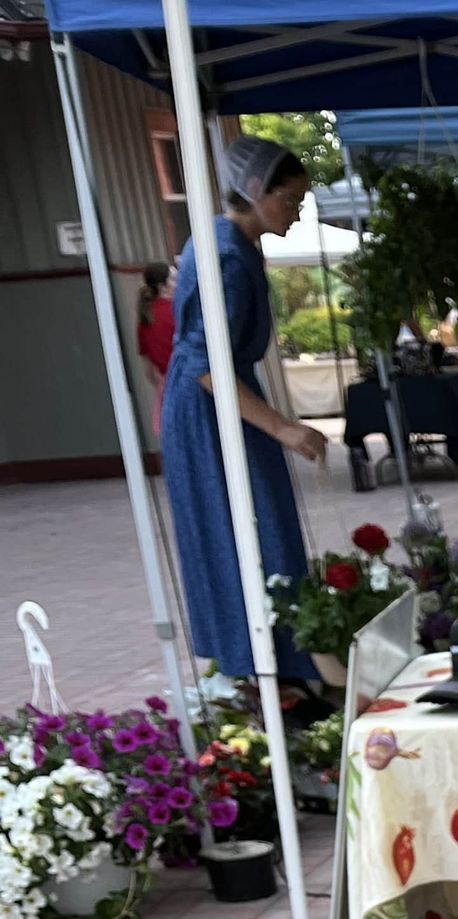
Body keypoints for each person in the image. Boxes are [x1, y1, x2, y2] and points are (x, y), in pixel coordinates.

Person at [161, 137, 327, 682]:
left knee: (252, 527)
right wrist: (283, 427)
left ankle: (272, 669)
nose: (297, 213)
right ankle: (266, 673)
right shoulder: (228, 255)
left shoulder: (224, 238)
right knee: (249, 531)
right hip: (211, 407)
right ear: (257, 192)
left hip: (218, 397)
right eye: (292, 200)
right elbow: (206, 364)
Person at [135, 261, 174, 434]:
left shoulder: (145, 320)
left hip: (164, 384)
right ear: (163, 286)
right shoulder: (176, 312)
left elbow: (148, 371)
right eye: (174, 280)